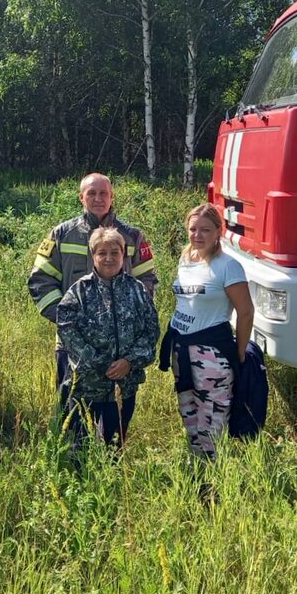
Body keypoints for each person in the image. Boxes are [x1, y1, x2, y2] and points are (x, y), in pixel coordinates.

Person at [28, 173, 157, 409]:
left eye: (103, 193)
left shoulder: (133, 237)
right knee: (72, 414)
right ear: (81, 197)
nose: (98, 198)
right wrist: (69, 322)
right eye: (91, 193)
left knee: (116, 421)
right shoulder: (61, 234)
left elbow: (147, 282)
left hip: (122, 351)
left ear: (111, 197)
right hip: (73, 346)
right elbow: (41, 281)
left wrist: (132, 325)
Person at [159, 203, 255, 459]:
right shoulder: (185, 259)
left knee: (212, 420)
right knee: (189, 413)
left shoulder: (227, 266)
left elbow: (245, 312)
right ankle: (197, 469)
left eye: (205, 230)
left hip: (212, 353)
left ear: (217, 232)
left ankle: (215, 480)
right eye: (193, 229)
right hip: (181, 351)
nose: (198, 235)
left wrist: (240, 352)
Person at [55, 227, 159, 448]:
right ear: (93, 256)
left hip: (125, 387)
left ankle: (111, 481)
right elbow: (67, 332)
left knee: (115, 445)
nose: (109, 258)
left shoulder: (138, 290)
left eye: (115, 252)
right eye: (102, 253)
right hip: (88, 387)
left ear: (124, 255)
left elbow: (151, 333)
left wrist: (128, 362)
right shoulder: (78, 292)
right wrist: (103, 364)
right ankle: (82, 481)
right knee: (80, 447)